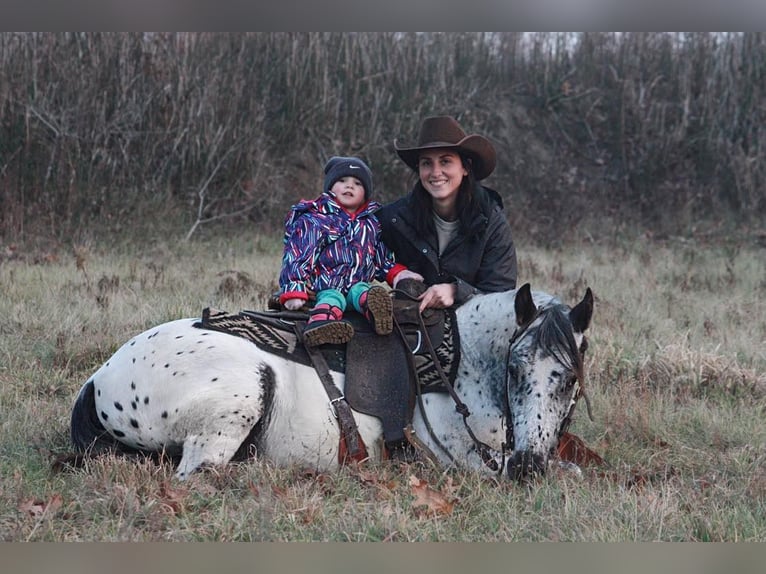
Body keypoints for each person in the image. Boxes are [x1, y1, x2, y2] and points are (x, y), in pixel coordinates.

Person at [378, 115, 518, 312]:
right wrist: (395, 272)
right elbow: (361, 248)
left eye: (445, 162)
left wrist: (456, 291)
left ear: (465, 168)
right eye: (427, 163)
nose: (435, 172)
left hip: (473, 328)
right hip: (411, 326)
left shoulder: (491, 222)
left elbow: (501, 294)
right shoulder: (397, 217)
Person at [279, 156, 422, 348]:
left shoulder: (372, 223)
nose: (350, 186)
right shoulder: (316, 220)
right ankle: (323, 325)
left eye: (357, 183)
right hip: (328, 285)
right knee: (331, 300)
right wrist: (294, 289)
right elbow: (298, 256)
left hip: (358, 284)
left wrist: (397, 273)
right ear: (330, 187)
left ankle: (377, 313)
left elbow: (380, 258)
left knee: (365, 293)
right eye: (342, 181)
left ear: (366, 193)